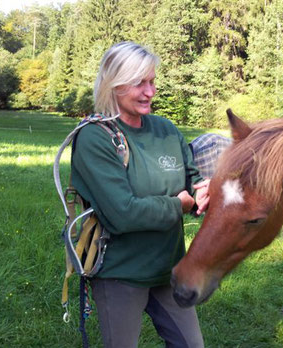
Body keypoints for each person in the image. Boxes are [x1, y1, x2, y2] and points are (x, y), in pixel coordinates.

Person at [71, 42, 209, 348]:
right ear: (113, 84)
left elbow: (193, 179)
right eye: (139, 83)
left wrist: (205, 191)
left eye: (152, 81)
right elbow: (123, 213)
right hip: (120, 274)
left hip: (168, 270)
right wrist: (178, 204)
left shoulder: (166, 129)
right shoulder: (94, 137)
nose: (150, 92)